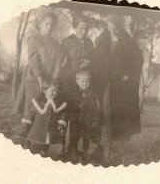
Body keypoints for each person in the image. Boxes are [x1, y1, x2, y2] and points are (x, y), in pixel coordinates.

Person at [94, 14, 144, 162]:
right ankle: (100, 147)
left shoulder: (128, 41)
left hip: (118, 86)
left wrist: (128, 74)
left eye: (114, 26)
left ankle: (108, 151)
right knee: (101, 114)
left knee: (112, 116)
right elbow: (96, 58)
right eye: (109, 25)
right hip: (102, 82)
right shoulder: (101, 39)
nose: (111, 28)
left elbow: (139, 60)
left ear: (119, 26)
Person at [21, 13, 62, 127]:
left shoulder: (56, 44)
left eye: (51, 25)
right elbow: (33, 60)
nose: (49, 27)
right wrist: (39, 79)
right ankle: (24, 137)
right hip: (34, 80)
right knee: (31, 108)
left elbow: (58, 63)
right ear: (40, 24)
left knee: (44, 109)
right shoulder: (33, 40)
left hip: (49, 82)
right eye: (46, 24)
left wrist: (53, 80)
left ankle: (37, 138)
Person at [67, 70, 102, 161]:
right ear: (77, 81)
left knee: (86, 137)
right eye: (83, 81)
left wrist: (95, 117)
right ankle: (73, 151)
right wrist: (71, 114)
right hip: (76, 119)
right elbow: (71, 105)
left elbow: (96, 105)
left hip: (87, 119)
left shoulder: (92, 93)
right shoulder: (74, 93)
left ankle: (85, 152)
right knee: (74, 136)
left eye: (87, 81)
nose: (85, 83)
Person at [26, 80, 67, 157]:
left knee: (47, 140)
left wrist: (61, 122)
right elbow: (31, 112)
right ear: (45, 90)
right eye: (52, 91)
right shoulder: (38, 102)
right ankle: (32, 147)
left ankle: (44, 151)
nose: (54, 93)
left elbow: (61, 113)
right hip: (39, 126)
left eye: (56, 92)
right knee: (36, 140)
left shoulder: (56, 104)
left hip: (50, 127)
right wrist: (29, 119)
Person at [58, 16, 94, 100]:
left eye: (86, 29)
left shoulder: (89, 43)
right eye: (81, 28)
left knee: (81, 100)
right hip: (69, 75)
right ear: (75, 27)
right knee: (68, 98)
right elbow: (59, 60)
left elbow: (93, 59)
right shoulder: (68, 41)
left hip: (83, 78)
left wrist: (89, 62)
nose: (84, 31)